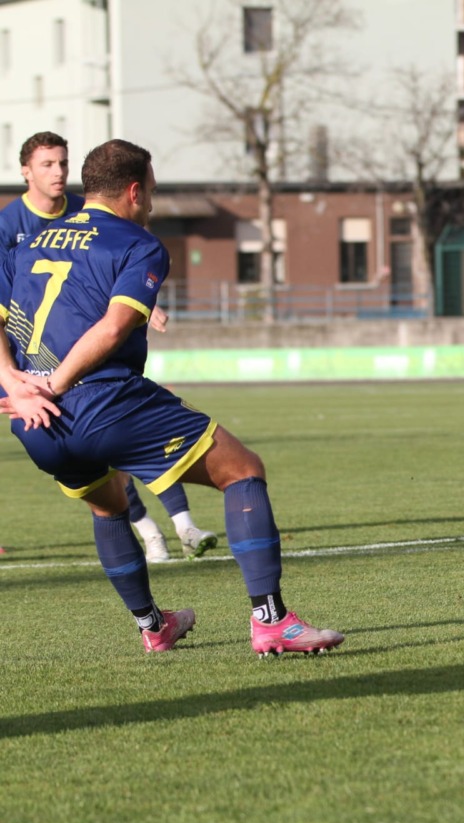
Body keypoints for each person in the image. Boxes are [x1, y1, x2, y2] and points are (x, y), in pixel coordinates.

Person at [0, 139, 343, 656]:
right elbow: (114, 328)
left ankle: (153, 625)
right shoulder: (139, 243)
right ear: (134, 191)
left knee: (109, 508)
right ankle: (270, 621)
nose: (153, 205)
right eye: (153, 193)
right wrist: (59, 381)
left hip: (36, 422)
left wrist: (17, 383)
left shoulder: (31, 241)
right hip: (97, 399)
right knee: (243, 470)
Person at [1, 131, 217, 563]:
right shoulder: (8, 227)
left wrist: (139, 305)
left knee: (123, 437)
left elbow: (115, 274)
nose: (58, 172)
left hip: (84, 359)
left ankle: (176, 528)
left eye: (63, 162)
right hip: (25, 369)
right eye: (47, 164)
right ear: (25, 172)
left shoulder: (89, 213)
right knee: (111, 451)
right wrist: (12, 380)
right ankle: (155, 531)